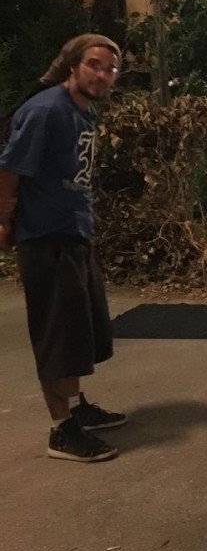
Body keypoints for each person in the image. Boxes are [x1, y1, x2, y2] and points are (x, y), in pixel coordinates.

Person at [0, 34, 127, 462]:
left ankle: (77, 408)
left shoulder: (82, 111)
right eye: (94, 64)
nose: (102, 75)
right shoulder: (46, 110)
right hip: (46, 238)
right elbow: (9, 170)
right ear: (73, 65)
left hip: (73, 235)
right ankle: (61, 430)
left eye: (110, 69)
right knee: (57, 337)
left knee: (78, 334)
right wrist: (4, 221)